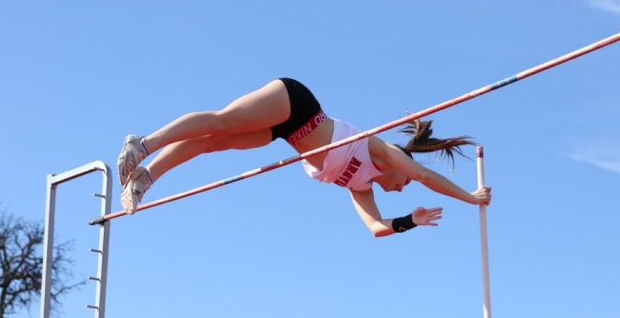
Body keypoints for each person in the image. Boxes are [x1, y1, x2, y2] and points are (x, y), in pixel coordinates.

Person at [117, 78, 491, 237]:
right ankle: (144, 144)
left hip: (286, 133)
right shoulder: (385, 152)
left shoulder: (361, 187)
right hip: (298, 105)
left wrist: (411, 219)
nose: (400, 188)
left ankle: (146, 177)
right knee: (223, 122)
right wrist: (470, 198)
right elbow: (425, 177)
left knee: (216, 142)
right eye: (404, 182)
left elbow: (375, 229)